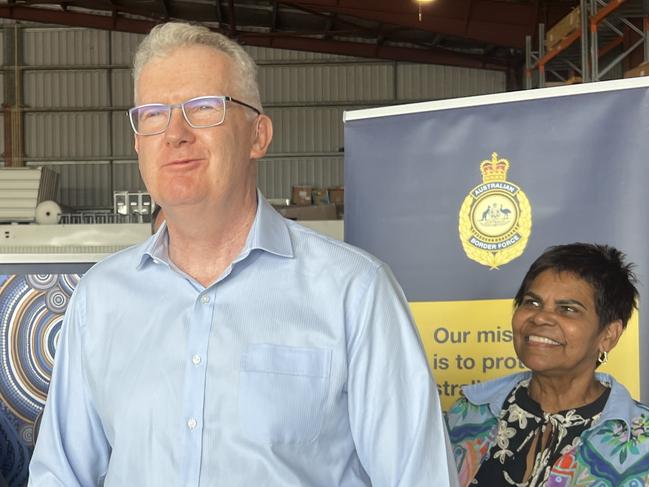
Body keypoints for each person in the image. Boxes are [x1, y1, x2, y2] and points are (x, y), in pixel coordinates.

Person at [28, 22, 458, 486]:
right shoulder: (102, 298)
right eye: (153, 114)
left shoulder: (354, 292)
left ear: (258, 135)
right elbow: (61, 474)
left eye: (204, 108)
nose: (175, 134)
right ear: (137, 144)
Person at [446, 243, 649, 486]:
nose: (540, 317)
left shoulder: (642, 441)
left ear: (608, 335)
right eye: (532, 302)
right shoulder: (469, 414)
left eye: (567, 309)